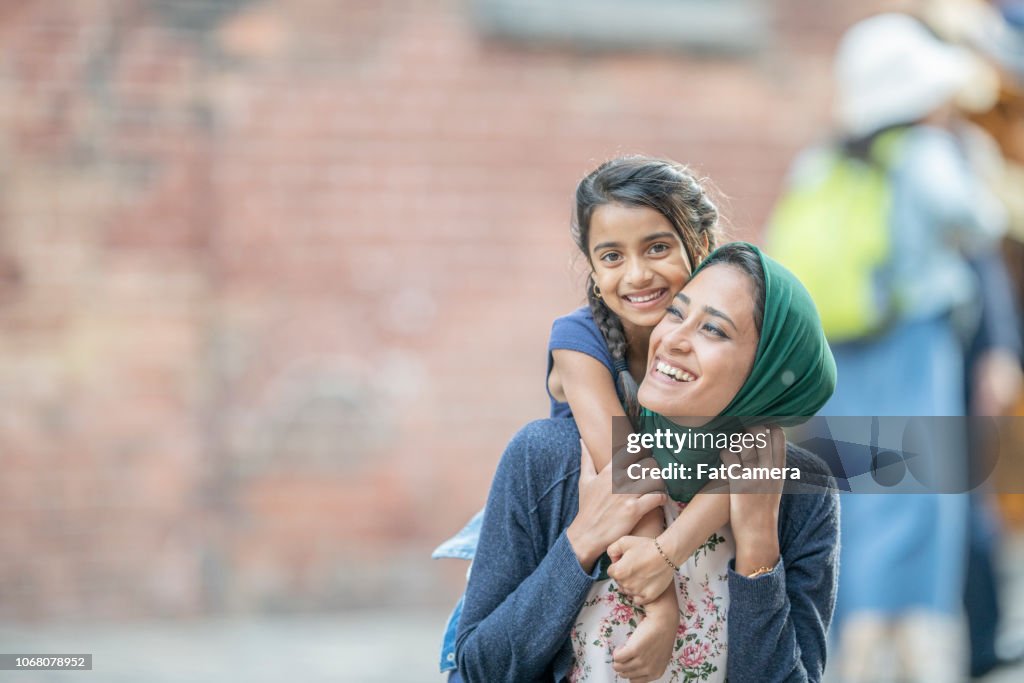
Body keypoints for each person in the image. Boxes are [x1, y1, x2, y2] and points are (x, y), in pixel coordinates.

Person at [456, 243, 839, 682]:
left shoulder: (802, 493)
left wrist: (757, 548)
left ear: (768, 372)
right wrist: (581, 541)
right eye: (676, 313)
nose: (673, 339)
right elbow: (479, 670)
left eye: (713, 330)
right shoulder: (548, 457)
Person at [436, 156, 733, 677]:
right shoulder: (580, 340)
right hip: (560, 550)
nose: (637, 273)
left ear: (701, 247)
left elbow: (761, 451)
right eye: (612, 256)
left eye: (658, 247)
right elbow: (626, 469)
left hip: (662, 552)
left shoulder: (727, 341)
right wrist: (662, 607)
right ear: (593, 271)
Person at [801, 13, 1007, 683]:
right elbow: (982, 218)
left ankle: (847, 643)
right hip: (915, 344)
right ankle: (905, 651)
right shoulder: (926, 153)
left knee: (854, 489)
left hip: (842, 352)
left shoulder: (826, 158)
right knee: (919, 495)